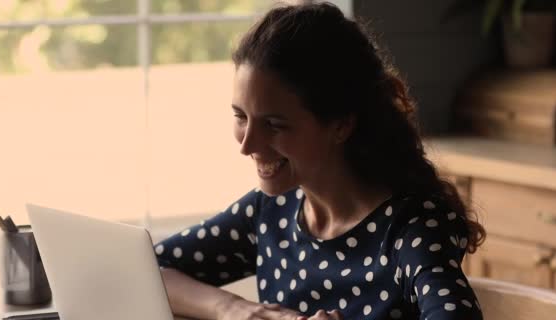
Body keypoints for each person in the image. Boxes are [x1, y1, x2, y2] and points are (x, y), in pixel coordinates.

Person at [154, 2, 486, 319]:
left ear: (341, 124)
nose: (247, 144)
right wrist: (233, 309)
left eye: (274, 124)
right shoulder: (269, 212)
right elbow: (148, 271)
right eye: (241, 116)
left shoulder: (411, 228)